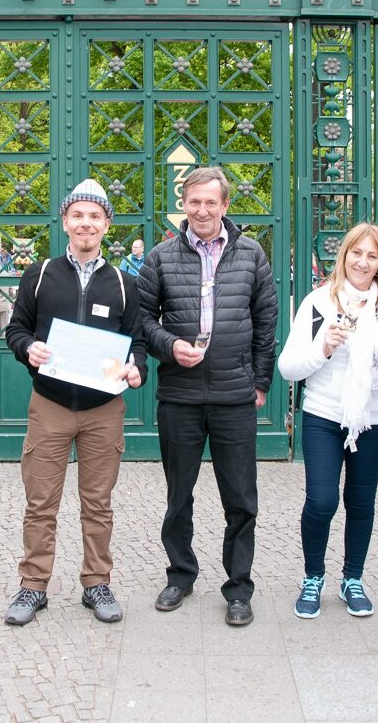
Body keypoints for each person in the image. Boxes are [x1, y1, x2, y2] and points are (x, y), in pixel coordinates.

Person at [137, 166, 278, 627]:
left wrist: (260, 382)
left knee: (241, 499)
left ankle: (238, 588)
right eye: (194, 201)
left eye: (210, 202)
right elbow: (143, 320)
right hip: (179, 395)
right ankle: (180, 575)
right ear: (184, 203)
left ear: (224, 205)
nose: (201, 210)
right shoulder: (160, 256)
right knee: (179, 495)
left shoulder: (251, 254)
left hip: (234, 396)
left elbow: (266, 322)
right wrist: (168, 346)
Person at [3, 180, 147, 626]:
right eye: (78, 215)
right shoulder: (40, 274)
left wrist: (137, 368)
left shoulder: (124, 283)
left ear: (107, 224)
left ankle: (96, 583)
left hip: (104, 409)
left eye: (95, 216)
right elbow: (16, 329)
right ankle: (33, 586)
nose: (86, 223)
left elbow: (138, 341)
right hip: (50, 404)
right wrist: (27, 348)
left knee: (98, 503)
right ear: (65, 221)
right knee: (40, 502)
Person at [278, 222, 378, 619]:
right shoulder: (319, 303)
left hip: (374, 420)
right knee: (321, 501)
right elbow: (288, 368)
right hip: (324, 415)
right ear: (344, 256)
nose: (363, 262)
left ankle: (352, 578)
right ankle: (313, 577)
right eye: (356, 253)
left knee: (361, 502)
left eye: (372, 256)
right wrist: (322, 348)